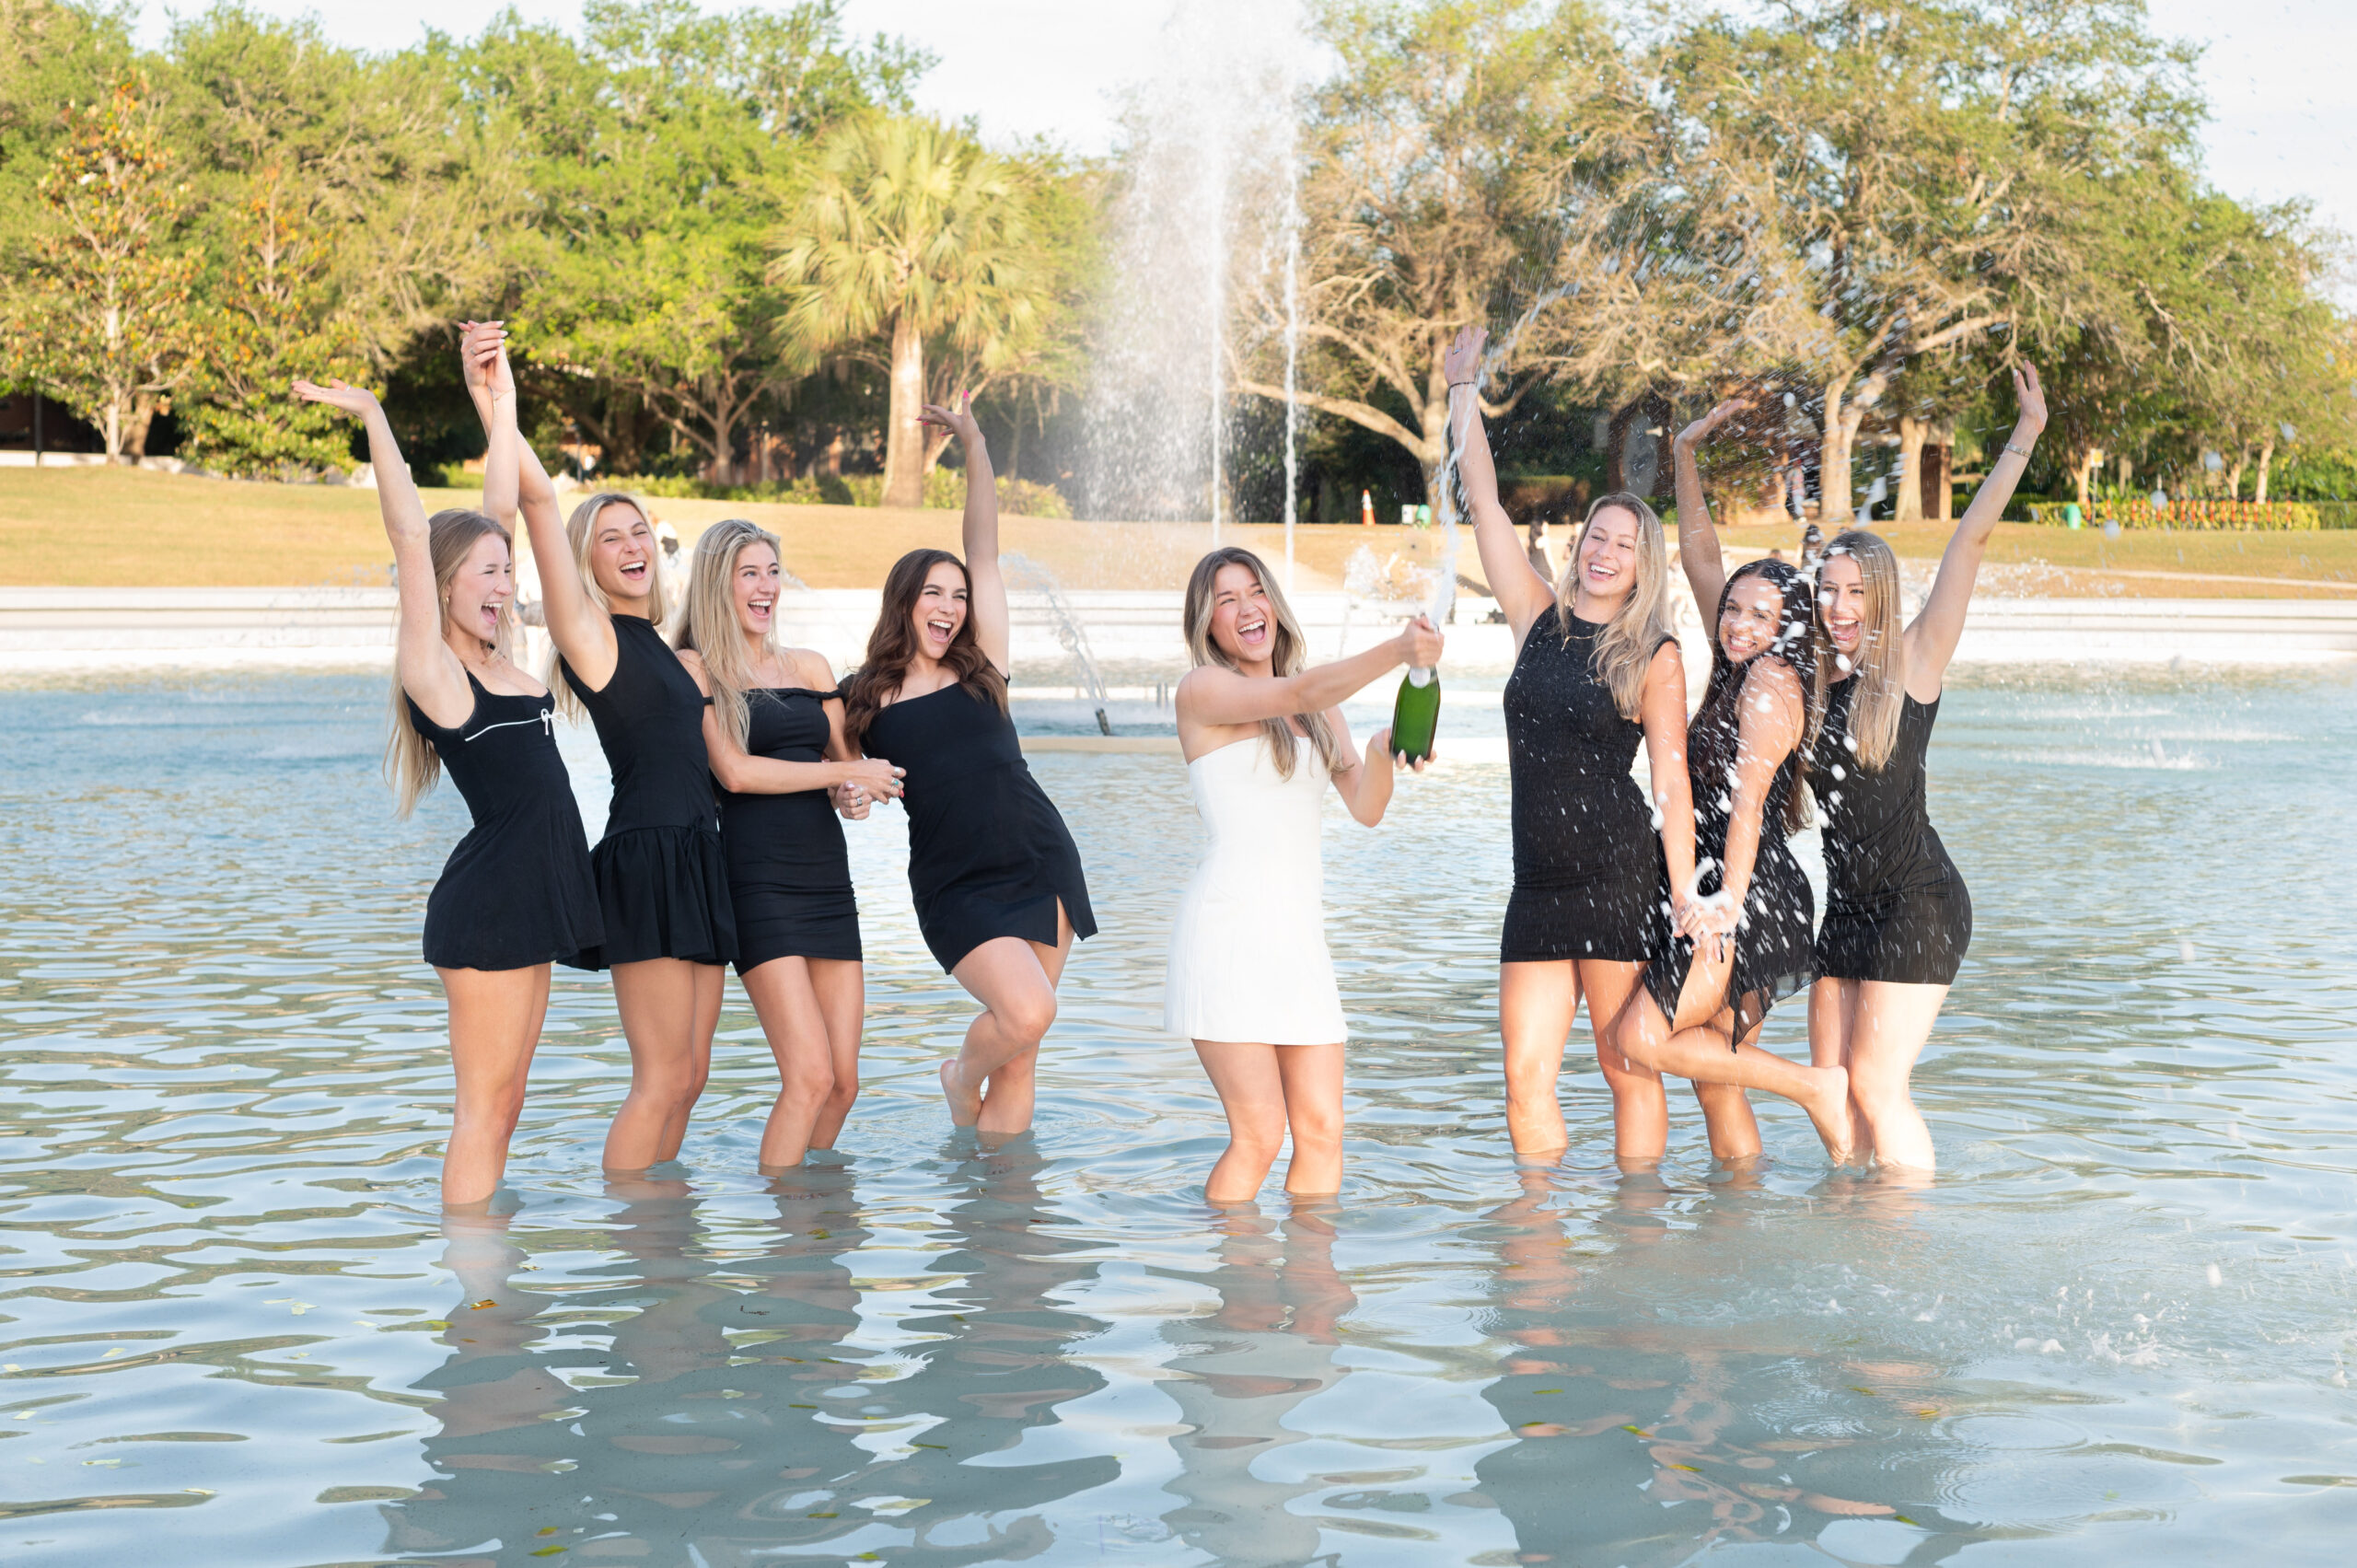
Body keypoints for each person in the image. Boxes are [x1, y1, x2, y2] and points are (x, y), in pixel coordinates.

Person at [291, 370, 600, 1208]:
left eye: (507, 572)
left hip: (536, 891)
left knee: (511, 1103)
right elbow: (408, 530)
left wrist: (495, 397)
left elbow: (498, 497)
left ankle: (485, 1283)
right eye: (486, 573)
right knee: (484, 1107)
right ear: (446, 583)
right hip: (491, 902)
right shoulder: (437, 674)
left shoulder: (507, 661)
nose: (503, 585)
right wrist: (373, 414)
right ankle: (474, 1292)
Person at [459, 321, 735, 1174]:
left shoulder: (668, 644)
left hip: (701, 854)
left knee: (692, 1077)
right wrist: (496, 403)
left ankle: (661, 1235)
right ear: (588, 559)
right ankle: (629, 1229)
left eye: (640, 532)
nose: (632, 546)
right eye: (611, 536)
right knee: (659, 1078)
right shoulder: (595, 635)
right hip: (646, 856)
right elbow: (537, 503)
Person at [1442, 324, 1702, 1165]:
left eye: (1624, 545)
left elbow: (1671, 783)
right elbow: (1482, 499)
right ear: (1579, 541)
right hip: (1538, 879)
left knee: (1622, 1062)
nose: (1604, 552)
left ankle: (1635, 1237)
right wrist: (1460, 395)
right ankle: (1539, 1245)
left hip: (1614, 873)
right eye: (1597, 536)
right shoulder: (1534, 615)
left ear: (1641, 565)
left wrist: (1690, 896)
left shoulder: (1653, 654)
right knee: (1524, 1078)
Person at [1801, 362, 2049, 1174]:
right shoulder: (1800, 686)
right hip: (1845, 908)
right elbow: (1712, 591)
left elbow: (1968, 540)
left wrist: (2024, 436)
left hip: (1918, 899)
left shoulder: (1912, 662)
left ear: (1880, 597)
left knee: (1876, 1084)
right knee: (1835, 1090)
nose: (1839, 606)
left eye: (1854, 591)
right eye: (1827, 590)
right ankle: (1856, 1223)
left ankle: (1902, 1245)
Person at [1607, 398, 1853, 1160]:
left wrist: (1723, 908)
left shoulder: (1770, 684)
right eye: (1734, 609)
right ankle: (1737, 1215)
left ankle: (1819, 1088)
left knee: (1642, 1036)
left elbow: (1748, 806)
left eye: (1758, 613)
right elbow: (1699, 556)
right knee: (1716, 1078)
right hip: (1721, 874)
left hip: (1748, 890)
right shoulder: (1742, 658)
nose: (1738, 622)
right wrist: (1684, 454)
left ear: (1786, 625)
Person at [842, 393, 1096, 1136]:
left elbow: (982, 546)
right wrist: (848, 796)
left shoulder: (983, 666)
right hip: (957, 883)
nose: (951, 604)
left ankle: (1000, 1221)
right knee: (1027, 1012)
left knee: (1023, 1050)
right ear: (905, 602)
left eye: (959, 594)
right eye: (935, 592)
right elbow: (839, 777)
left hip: (1040, 856)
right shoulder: (863, 697)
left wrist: (975, 442)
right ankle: (959, 1076)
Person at [1167, 547, 1442, 1202]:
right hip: (1228, 934)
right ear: (1207, 624)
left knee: (1322, 1129)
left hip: (1297, 943)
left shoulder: (1321, 710)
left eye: (1254, 591)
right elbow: (1293, 691)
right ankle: (1241, 1295)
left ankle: (1313, 1294)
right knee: (1260, 1134)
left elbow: (1367, 808)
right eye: (1225, 600)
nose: (1245, 608)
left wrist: (1380, 750)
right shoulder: (1203, 690)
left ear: (1274, 604)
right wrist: (1399, 650)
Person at [672, 518, 905, 1170]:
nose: (766, 586)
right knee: (807, 1076)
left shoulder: (809, 667)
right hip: (756, 883)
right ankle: (784, 1234)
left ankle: (807, 1219)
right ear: (719, 582)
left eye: (773, 571)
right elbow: (736, 774)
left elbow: (847, 769)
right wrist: (844, 774)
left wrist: (852, 794)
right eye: (750, 573)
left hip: (827, 881)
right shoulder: (697, 667)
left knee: (843, 1082)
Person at [1525, 516, 1555, 585]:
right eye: (1545, 526)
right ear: (1540, 527)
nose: (1548, 528)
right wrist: (1554, 570)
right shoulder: (1545, 539)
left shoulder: (1528, 541)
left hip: (1532, 572)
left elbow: (1527, 558)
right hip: (1544, 572)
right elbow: (1548, 557)